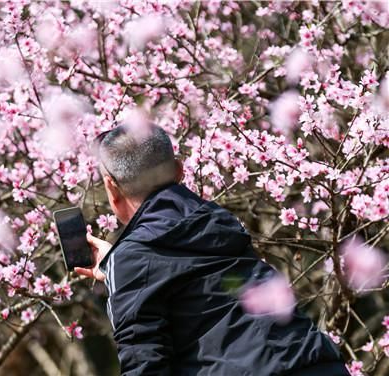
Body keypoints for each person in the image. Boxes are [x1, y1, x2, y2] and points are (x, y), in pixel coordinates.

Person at [74, 124, 349, 375]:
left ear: (112, 187)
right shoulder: (219, 221)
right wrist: (117, 268)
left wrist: (123, 267)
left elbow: (144, 364)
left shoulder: (134, 259)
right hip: (319, 363)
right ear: (180, 171)